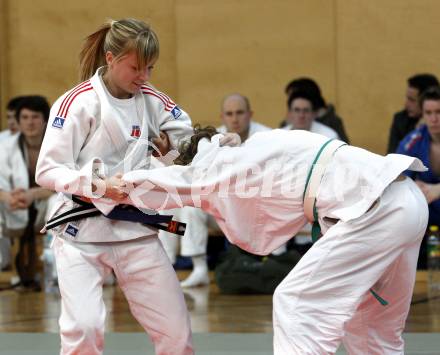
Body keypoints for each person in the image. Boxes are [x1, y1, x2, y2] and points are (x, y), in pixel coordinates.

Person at [120, 126, 428, 354]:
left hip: (374, 209)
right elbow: (184, 168)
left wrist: (108, 185)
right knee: (372, 330)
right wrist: (169, 156)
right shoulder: (260, 143)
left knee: (296, 306)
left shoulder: (225, 166)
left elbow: (182, 180)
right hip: (405, 199)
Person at [35, 18, 195, 355]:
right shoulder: (76, 103)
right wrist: (98, 185)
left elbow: (188, 142)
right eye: (136, 67)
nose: (145, 77)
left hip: (136, 230)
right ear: (110, 58)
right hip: (81, 229)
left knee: (176, 332)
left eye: (150, 68)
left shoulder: (152, 99)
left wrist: (171, 153)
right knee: (84, 327)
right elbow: (48, 170)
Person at [0, 96, 55, 289]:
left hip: (45, 210)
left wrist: (33, 194)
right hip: (14, 208)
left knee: (58, 201)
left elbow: (66, 183)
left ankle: (54, 270)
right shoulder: (5, 146)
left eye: (35, 117)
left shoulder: (57, 144)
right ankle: (3, 263)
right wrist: (8, 197)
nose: (29, 122)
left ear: (45, 120)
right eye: (24, 117)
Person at [397, 86, 440, 268]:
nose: (434, 119)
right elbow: (395, 179)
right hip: (426, 227)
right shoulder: (413, 140)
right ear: (422, 114)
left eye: (439, 112)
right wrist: (413, 187)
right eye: (428, 113)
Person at [282, 77, 349, 143]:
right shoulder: (283, 131)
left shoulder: (330, 128)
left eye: (306, 110)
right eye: (297, 110)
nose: (301, 115)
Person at [387, 73, 439, 153]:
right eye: (428, 113)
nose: (406, 104)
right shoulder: (400, 120)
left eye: (412, 100)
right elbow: (393, 157)